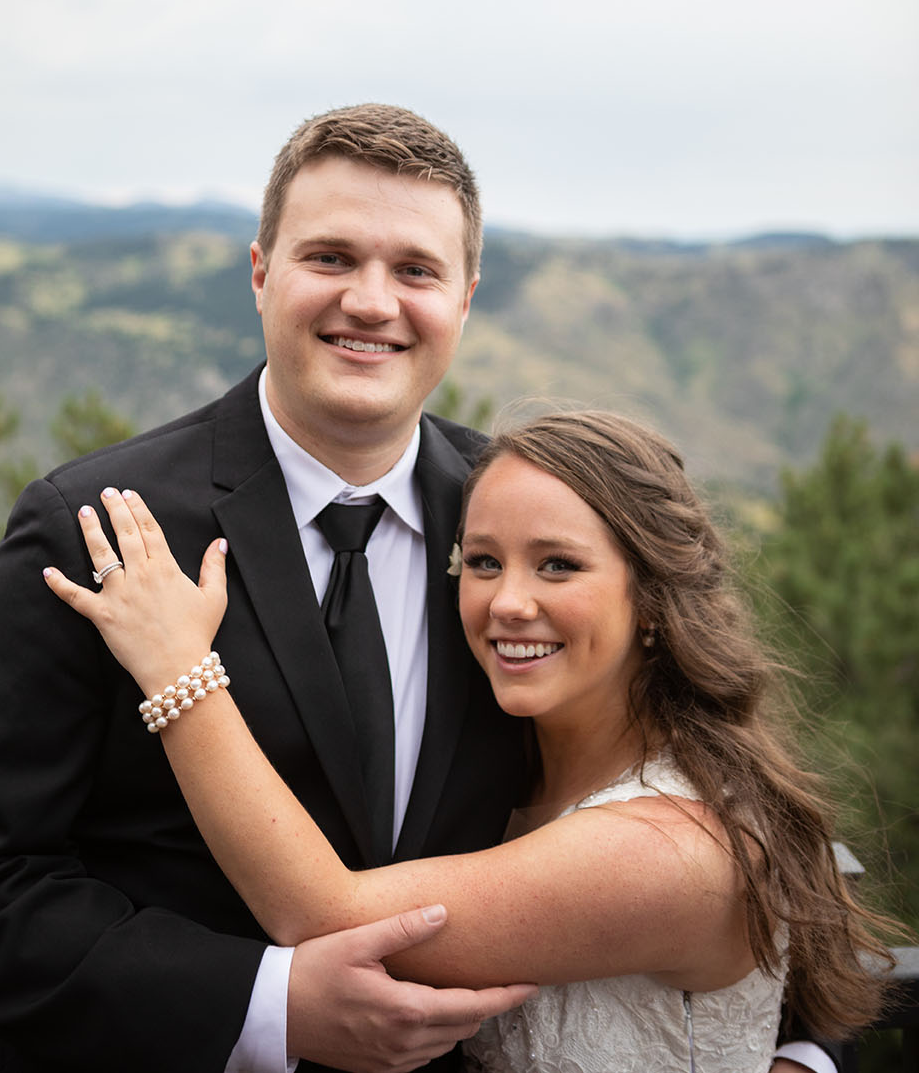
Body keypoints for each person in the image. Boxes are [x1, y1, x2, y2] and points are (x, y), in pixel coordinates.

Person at [0, 103, 836, 1073]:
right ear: (260, 272)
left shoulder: (523, 533)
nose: (372, 301)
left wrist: (796, 1046)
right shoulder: (104, 525)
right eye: (330, 256)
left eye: (415, 269)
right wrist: (265, 1006)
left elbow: (707, 816)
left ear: (464, 298)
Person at [46, 411, 898, 1071]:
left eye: (558, 565)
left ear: (654, 601)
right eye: (482, 562)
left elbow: (322, 915)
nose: (507, 603)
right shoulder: (513, 765)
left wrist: (177, 668)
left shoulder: (669, 846)